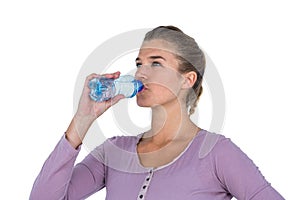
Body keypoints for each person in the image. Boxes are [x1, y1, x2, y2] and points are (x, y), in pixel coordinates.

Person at [30, 26, 284, 200]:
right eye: (139, 63)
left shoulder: (217, 153)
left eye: (156, 63)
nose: (141, 72)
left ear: (187, 79)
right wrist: (83, 119)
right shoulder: (114, 152)